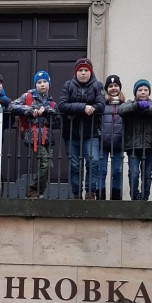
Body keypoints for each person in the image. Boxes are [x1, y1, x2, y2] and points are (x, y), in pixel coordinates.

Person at [59, 57, 105, 200]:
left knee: (93, 163)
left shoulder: (97, 85)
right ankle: (76, 195)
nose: (83, 73)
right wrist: (83, 107)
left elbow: (101, 105)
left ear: (91, 72)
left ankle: (90, 193)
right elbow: (62, 105)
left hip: (91, 133)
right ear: (76, 72)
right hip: (71, 134)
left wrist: (92, 108)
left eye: (86, 70)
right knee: (75, 166)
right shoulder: (68, 85)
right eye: (80, 70)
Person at [9, 70, 58, 198]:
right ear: (35, 85)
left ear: (49, 84)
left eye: (45, 82)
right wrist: (30, 110)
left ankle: (37, 192)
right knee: (45, 164)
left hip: (47, 137)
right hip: (33, 135)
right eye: (39, 82)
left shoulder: (52, 102)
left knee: (49, 166)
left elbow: (57, 122)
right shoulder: (28, 96)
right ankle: (33, 189)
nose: (42, 84)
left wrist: (47, 110)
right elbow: (11, 106)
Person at [118, 79, 152, 200]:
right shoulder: (130, 104)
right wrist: (137, 106)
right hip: (133, 146)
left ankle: (145, 197)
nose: (143, 92)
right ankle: (135, 196)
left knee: (147, 175)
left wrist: (147, 108)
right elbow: (121, 110)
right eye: (140, 90)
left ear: (149, 92)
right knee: (134, 173)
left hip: (149, 146)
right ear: (135, 92)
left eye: (146, 90)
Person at [97, 74, 125, 200]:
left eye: (116, 85)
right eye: (110, 86)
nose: (113, 88)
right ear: (106, 89)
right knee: (101, 170)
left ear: (119, 88)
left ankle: (116, 199)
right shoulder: (102, 105)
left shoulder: (124, 105)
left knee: (117, 171)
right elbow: (97, 122)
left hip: (118, 143)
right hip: (103, 143)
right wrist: (99, 134)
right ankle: (100, 197)